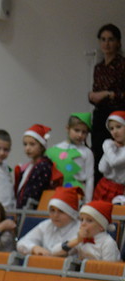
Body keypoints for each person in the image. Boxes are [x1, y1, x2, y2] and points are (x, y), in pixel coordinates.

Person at [89, 23, 125, 180]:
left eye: (111, 39)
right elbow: (96, 92)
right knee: (98, 152)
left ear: (118, 42)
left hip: (118, 115)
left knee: (118, 152)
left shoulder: (122, 64)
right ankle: (99, 188)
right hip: (100, 114)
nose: (106, 43)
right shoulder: (98, 67)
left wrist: (108, 94)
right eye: (103, 39)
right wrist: (92, 96)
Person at [16, 186, 83, 256]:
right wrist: (34, 248)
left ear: (71, 213)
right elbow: (21, 243)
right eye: (52, 210)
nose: (55, 215)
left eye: (61, 211)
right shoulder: (46, 225)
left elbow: (56, 252)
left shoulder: (81, 228)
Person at [48, 113, 95, 201]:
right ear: (67, 128)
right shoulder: (54, 149)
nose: (80, 135)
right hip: (55, 193)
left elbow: (90, 178)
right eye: (76, 130)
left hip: (76, 194)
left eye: (84, 132)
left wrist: (87, 201)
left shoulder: (87, 152)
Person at [56, 200, 121, 262]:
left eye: (89, 220)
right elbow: (55, 253)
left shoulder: (108, 243)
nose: (83, 224)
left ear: (101, 227)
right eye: (82, 220)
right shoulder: (80, 238)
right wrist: (76, 241)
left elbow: (109, 267)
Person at [15, 124, 58, 209]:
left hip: (33, 210)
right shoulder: (28, 167)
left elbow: (35, 192)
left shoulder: (43, 166)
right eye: (25, 144)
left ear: (41, 147)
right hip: (23, 209)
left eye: (32, 144)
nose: (28, 148)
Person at [96, 111, 125, 201]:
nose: (115, 132)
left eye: (118, 127)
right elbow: (102, 168)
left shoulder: (109, 146)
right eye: (111, 129)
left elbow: (114, 162)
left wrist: (107, 145)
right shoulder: (113, 147)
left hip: (120, 191)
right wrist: (110, 148)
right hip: (103, 185)